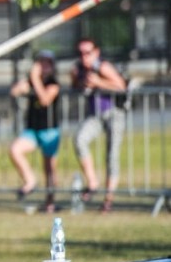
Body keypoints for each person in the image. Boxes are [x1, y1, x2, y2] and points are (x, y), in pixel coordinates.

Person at [71, 38, 127, 213]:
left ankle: (108, 200)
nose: (84, 57)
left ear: (96, 52)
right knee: (80, 139)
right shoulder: (79, 69)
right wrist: (77, 80)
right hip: (95, 115)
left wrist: (99, 82)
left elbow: (121, 86)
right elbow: (75, 86)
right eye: (80, 53)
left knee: (112, 156)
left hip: (114, 113)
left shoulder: (102, 66)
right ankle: (93, 182)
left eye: (87, 52)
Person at [8, 50, 61, 213]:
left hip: (50, 131)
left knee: (50, 169)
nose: (43, 66)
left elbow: (45, 99)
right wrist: (26, 82)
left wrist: (36, 79)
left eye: (47, 63)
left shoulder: (53, 83)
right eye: (41, 62)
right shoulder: (31, 81)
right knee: (15, 150)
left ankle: (50, 203)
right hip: (33, 130)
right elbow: (14, 91)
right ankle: (30, 181)